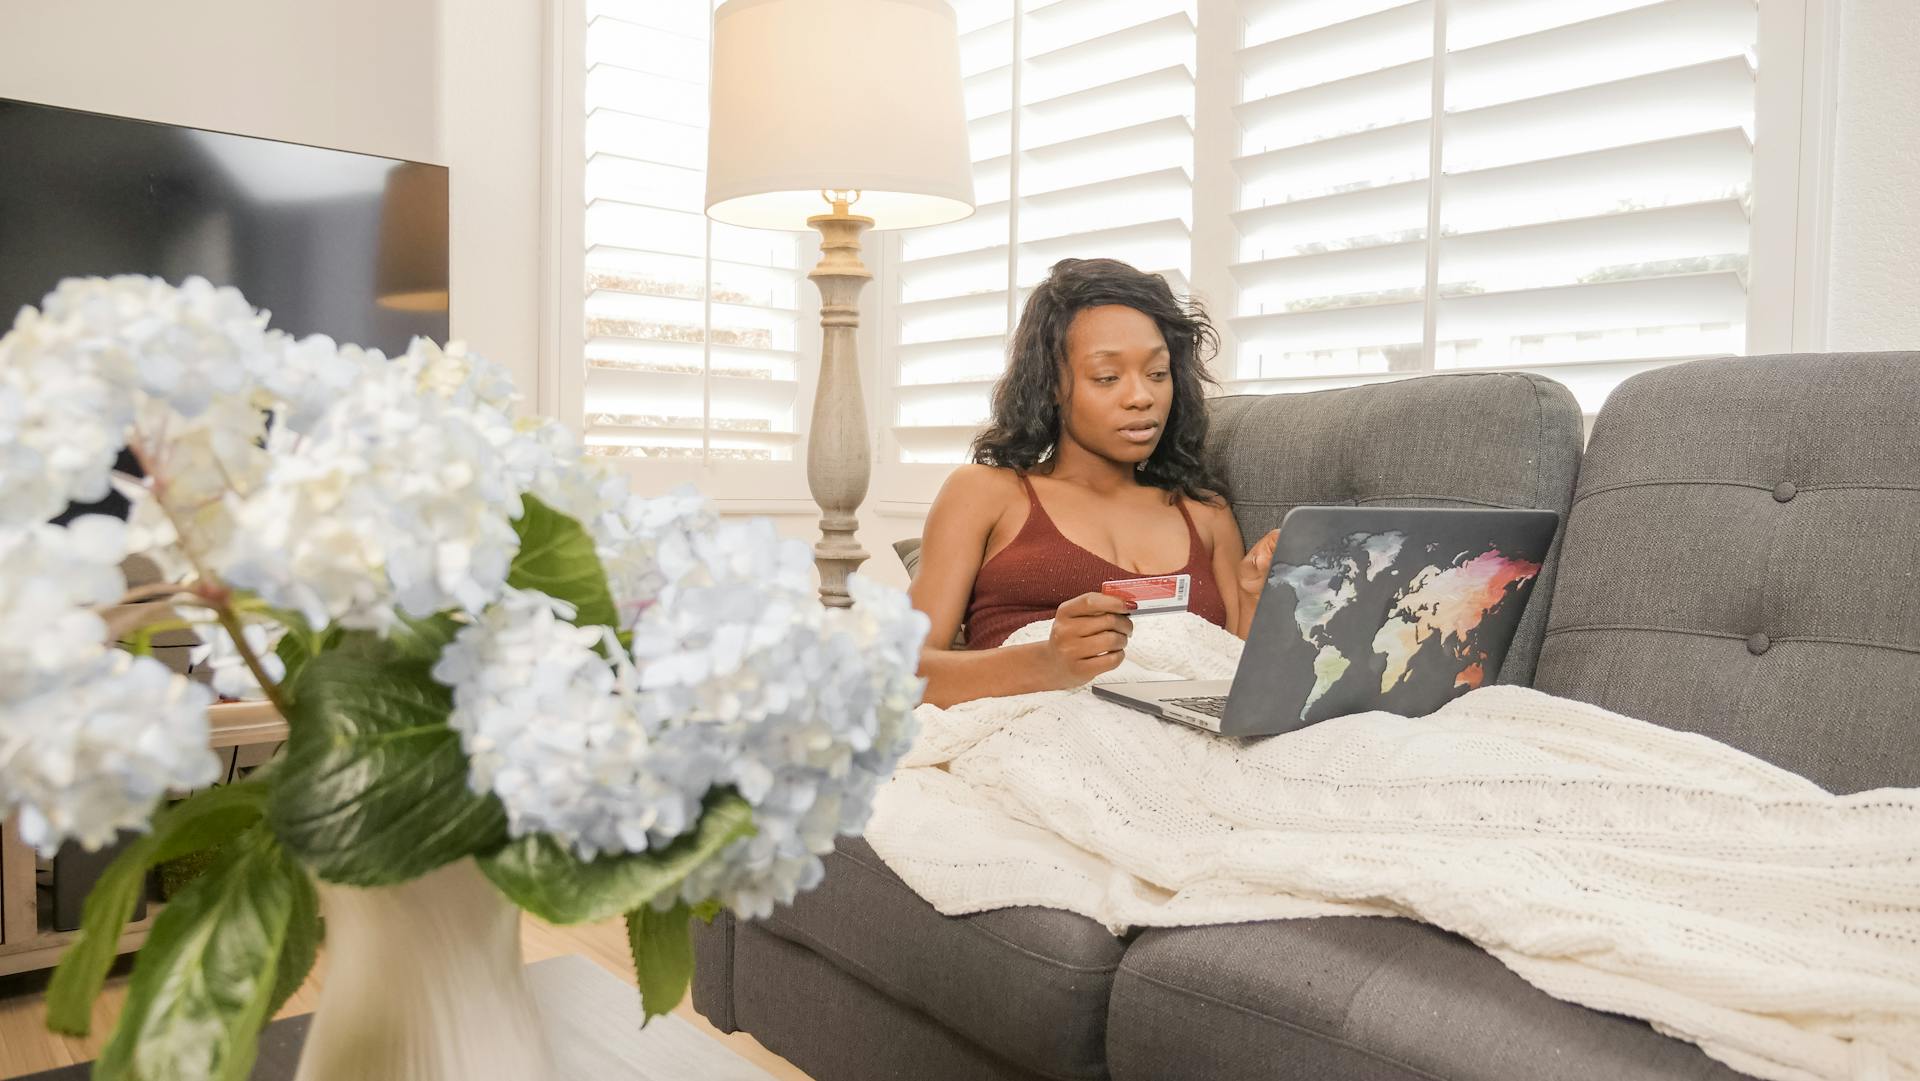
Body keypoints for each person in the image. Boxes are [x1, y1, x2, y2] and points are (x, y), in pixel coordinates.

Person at [911, 258, 1279, 708]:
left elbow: (1232, 678)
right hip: (1043, 732)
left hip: (1185, 738)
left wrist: (1252, 595)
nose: (1141, 397)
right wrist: (1047, 663)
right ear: (1050, 385)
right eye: (1107, 377)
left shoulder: (1204, 510)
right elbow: (902, 672)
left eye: (1158, 374)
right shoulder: (986, 493)